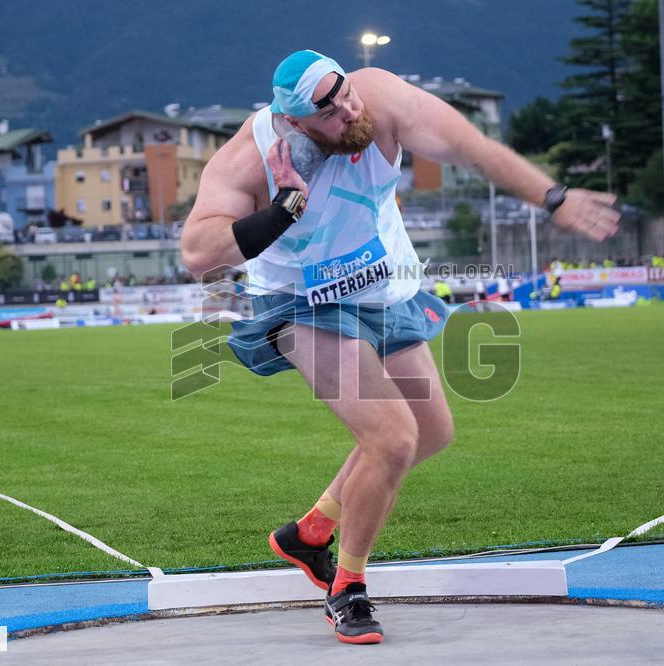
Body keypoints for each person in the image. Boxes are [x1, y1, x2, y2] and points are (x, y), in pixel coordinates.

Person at [179, 49, 619, 645]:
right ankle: (348, 589)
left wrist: (554, 198)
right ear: (296, 123)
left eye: (346, 95)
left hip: (383, 289)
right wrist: (282, 208)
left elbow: (469, 145)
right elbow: (199, 252)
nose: (348, 112)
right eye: (330, 113)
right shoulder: (250, 160)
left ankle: (309, 533)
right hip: (304, 303)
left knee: (432, 431)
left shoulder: (378, 98)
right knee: (391, 437)